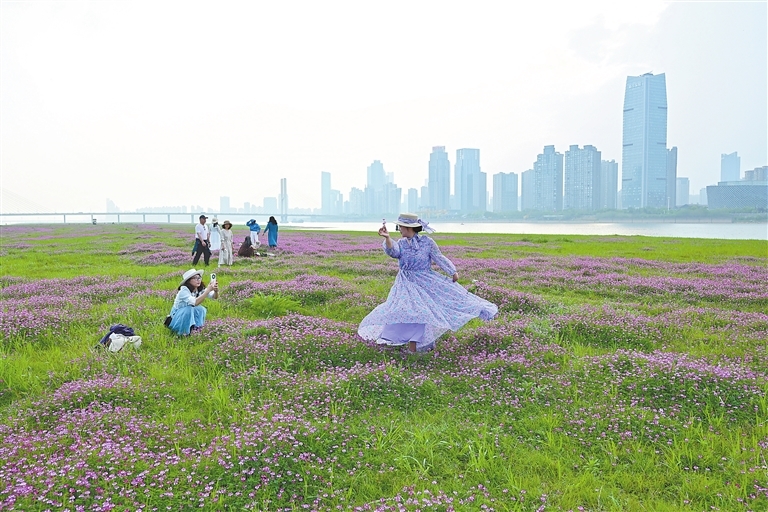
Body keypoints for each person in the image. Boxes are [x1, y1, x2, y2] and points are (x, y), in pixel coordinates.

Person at [358, 213, 498, 353]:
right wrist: (387, 238)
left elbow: (439, 257)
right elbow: (392, 252)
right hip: (405, 282)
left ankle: (414, 348)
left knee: (421, 313)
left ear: (408, 228)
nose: (398, 229)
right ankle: (391, 340)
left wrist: (452, 271)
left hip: (425, 280)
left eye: (400, 226)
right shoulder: (400, 243)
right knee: (403, 310)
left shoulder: (427, 242)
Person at [167, 268, 218, 335]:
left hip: (188, 312)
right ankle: (183, 333)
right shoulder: (183, 291)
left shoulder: (199, 288)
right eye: (195, 278)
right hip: (177, 316)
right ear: (188, 281)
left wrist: (216, 291)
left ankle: (197, 329)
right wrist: (208, 290)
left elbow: (214, 297)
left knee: (201, 309)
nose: (198, 280)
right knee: (189, 309)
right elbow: (195, 302)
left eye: (199, 277)